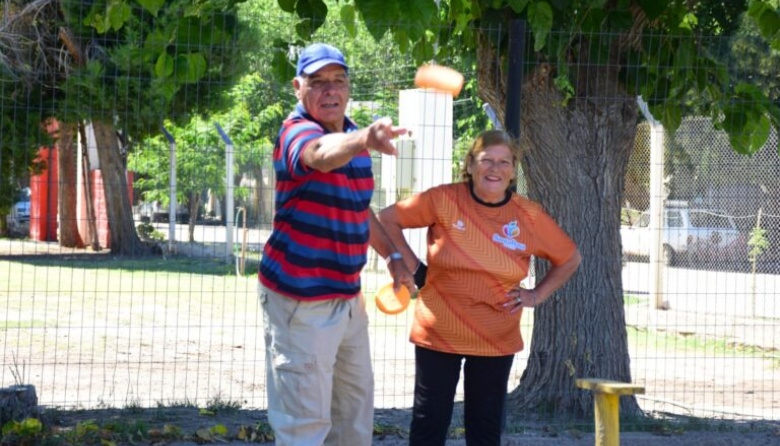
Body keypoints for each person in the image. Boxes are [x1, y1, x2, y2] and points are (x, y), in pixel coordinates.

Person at [377, 129, 582, 446]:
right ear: (471, 164)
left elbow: (569, 258)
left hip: (494, 336)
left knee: (484, 430)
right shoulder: (443, 199)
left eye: (504, 162)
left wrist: (536, 295)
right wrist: (414, 269)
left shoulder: (528, 215)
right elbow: (387, 219)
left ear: (513, 170)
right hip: (438, 331)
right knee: (429, 423)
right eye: (487, 160)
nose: (495, 169)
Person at [258, 43, 415, 446]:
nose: (330, 91)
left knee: (353, 422)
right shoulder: (298, 131)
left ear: (348, 87)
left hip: (348, 300)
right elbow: (319, 156)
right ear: (298, 87)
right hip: (301, 300)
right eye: (318, 82)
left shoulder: (352, 136)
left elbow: (359, 208)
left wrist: (394, 255)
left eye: (338, 81)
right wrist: (365, 138)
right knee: (303, 427)